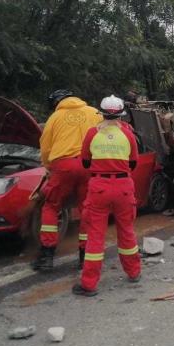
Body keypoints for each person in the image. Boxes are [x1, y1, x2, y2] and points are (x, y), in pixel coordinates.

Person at [72, 95, 141, 297]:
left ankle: (89, 284)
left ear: (101, 113)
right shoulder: (128, 135)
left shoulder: (92, 133)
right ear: (121, 114)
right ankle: (134, 272)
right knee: (127, 231)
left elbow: (85, 162)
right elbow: (134, 163)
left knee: (95, 235)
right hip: (123, 187)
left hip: (99, 187)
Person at [32, 90, 101, 272]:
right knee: (87, 208)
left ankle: (47, 255)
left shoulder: (55, 117)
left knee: (51, 206)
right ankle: (85, 257)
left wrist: (48, 167)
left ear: (56, 103)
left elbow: (45, 146)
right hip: (89, 165)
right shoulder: (93, 113)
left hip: (63, 166)